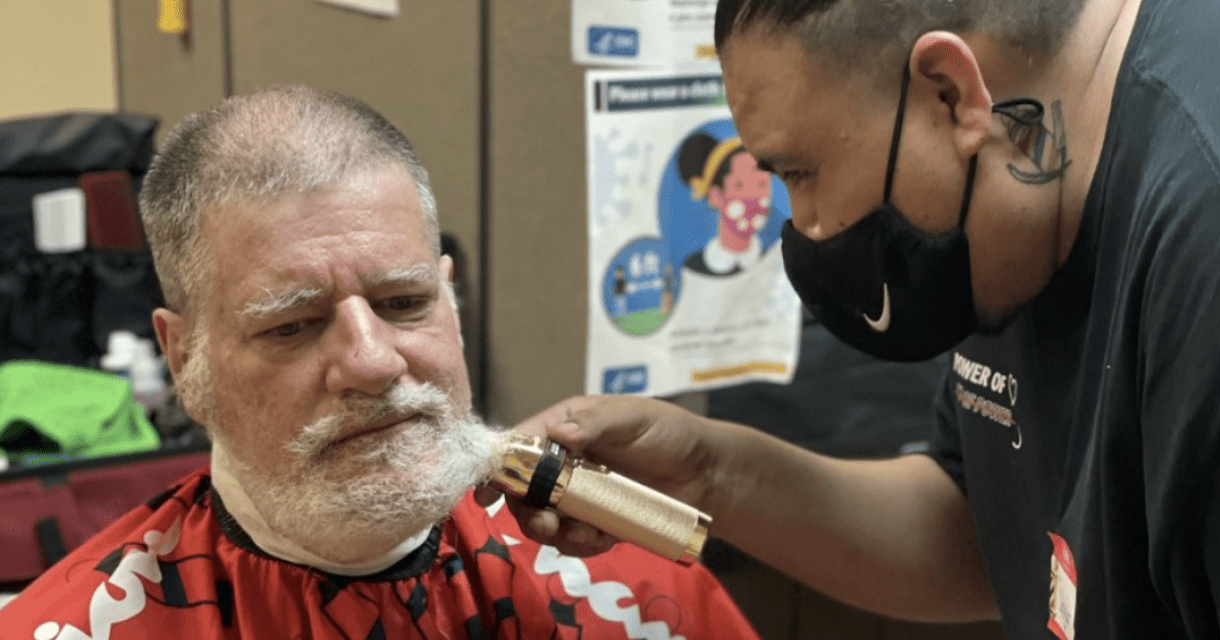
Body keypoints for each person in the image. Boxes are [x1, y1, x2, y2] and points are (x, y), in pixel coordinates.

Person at [500, 0, 1220, 638]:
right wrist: (711, 471)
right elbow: (980, 529)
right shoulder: (1014, 192)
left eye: (801, 173)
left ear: (949, 91)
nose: (802, 226)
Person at [0, 85, 760, 640]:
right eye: (292, 326)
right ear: (183, 356)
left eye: (403, 303)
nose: (371, 362)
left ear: (451, 304)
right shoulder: (82, 628)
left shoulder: (632, 593)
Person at [676, 132, 773, 277]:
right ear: (716, 196)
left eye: (762, 184)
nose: (753, 196)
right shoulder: (693, 268)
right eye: (739, 186)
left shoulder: (773, 259)